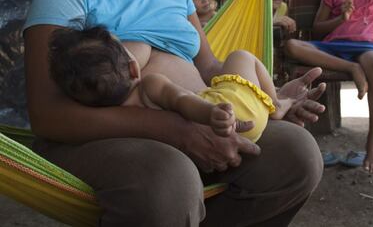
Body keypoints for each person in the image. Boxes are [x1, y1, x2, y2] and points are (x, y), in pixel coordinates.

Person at [23, 0, 326, 225]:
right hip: (105, 135)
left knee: (297, 153)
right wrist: (177, 129)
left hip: (203, 110)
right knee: (168, 181)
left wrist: (266, 98)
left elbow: (209, 68)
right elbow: (48, 115)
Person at [48, 26, 294, 142]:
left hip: (223, 125)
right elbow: (184, 101)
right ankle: (276, 102)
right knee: (240, 56)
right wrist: (212, 114)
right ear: (134, 68)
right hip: (232, 112)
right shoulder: (150, 84)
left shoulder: (112, 113)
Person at [284, 0, 373, 174]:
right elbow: (317, 28)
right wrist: (341, 19)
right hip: (333, 47)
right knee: (291, 46)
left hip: (367, 46)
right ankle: (352, 68)